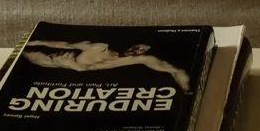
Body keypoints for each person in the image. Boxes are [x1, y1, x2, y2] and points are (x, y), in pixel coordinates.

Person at [23, 37, 189, 90]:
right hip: (53, 61)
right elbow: (61, 45)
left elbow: (171, 69)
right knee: (26, 56)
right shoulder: (99, 48)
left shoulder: (139, 59)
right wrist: (32, 41)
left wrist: (186, 88)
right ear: (131, 44)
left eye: (142, 51)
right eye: (137, 48)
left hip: (76, 70)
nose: (138, 52)